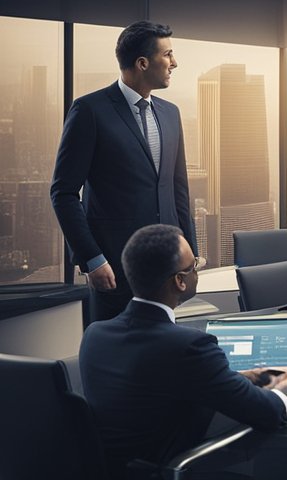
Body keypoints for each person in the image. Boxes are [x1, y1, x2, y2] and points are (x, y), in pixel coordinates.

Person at [79, 224, 287, 477]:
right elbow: (269, 413)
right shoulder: (189, 345)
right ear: (180, 281)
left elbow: (151, 387)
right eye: (194, 266)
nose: (197, 271)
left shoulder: (95, 334)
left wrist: (240, 378)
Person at [50, 21, 195, 323]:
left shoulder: (171, 113)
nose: (175, 63)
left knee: (163, 359)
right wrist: (92, 259)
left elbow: (177, 188)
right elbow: (63, 193)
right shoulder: (90, 111)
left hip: (168, 270)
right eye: (167, 55)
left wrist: (190, 256)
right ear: (142, 63)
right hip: (114, 268)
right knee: (115, 359)